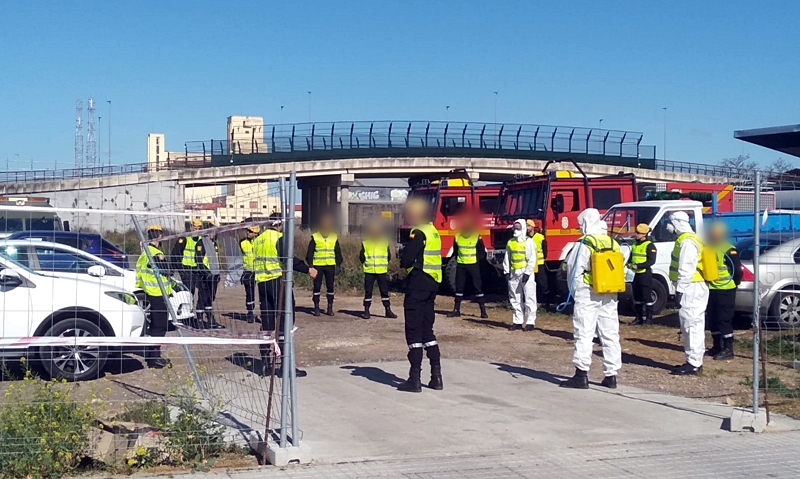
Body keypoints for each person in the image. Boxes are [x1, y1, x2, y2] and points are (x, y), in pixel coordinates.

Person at [560, 208, 621, 389]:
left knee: (584, 332)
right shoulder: (612, 242)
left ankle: (581, 374)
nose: (579, 227)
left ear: (586, 222)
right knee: (610, 333)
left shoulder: (585, 243)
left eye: (580, 224)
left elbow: (573, 269)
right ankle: (611, 375)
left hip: (588, 292)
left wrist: (575, 291)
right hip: (610, 292)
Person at [253, 217, 317, 377]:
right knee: (285, 323)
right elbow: (289, 260)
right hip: (277, 283)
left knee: (267, 324)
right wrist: (308, 269)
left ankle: (265, 365)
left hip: (262, 284)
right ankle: (285, 366)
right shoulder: (278, 238)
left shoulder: (258, 240)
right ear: (280, 225)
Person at [398, 198, 442, 393]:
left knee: (414, 332)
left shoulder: (419, 232)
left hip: (418, 285)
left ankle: (414, 378)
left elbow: (406, 260)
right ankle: (436, 377)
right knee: (427, 332)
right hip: (432, 285)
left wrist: (404, 255)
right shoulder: (433, 231)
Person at [668, 211, 709, 375]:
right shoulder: (692, 239)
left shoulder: (687, 242)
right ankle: (694, 360)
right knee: (693, 324)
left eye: (670, 222)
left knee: (691, 324)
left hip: (691, 286)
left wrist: (680, 291)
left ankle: (693, 363)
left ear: (677, 223)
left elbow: (686, 269)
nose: (669, 226)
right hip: (694, 286)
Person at [135, 224, 173, 369]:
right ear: (160, 236)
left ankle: (152, 356)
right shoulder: (155, 253)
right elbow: (167, 270)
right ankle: (154, 358)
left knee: (154, 326)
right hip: (157, 293)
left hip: (151, 292)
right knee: (159, 327)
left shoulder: (146, 250)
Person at [705, 221, 741, 361]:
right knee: (713, 318)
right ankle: (716, 346)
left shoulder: (729, 249)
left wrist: (735, 283)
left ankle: (728, 349)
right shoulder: (708, 248)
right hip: (712, 288)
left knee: (723, 319)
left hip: (726, 289)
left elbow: (737, 270)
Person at [447, 215, 488, 319]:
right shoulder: (457, 236)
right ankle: (456, 310)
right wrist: (458, 260)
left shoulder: (476, 235)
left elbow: (481, 251)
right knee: (459, 287)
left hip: (473, 265)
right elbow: (456, 251)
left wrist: (476, 261)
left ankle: (483, 311)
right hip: (461, 265)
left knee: (477, 287)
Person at [503, 219, 537, 332]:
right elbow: (507, 257)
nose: (516, 230)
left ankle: (530, 322)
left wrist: (527, 273)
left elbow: (532, 259)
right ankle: (517, 321)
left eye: (518, 228)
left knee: (529, 298)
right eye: (514, 228)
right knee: (515, 298)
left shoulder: (529, 242)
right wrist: (506, 271)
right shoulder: (510, 242)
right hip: (514, 272)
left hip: (525, 272)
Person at [359, 221, 397, 319]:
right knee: (368, 292)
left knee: (384, 291)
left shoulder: (385, 242)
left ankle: (388, 310)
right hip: (369, 271)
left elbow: (388, 256)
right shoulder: (365, 243)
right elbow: (361, 257)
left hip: (381, 271)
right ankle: (366, 311)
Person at [306, 214, 342, 316]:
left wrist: (338, 264)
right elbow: (310, 253)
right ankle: (316, 307)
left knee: (330, 287)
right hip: (318, 266)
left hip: (330, 266)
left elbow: (337, 252)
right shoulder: (315, 237)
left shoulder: (334, 237)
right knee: (317, 287)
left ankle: (329, 308)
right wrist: (311, 266)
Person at [629, 223, 658, 325]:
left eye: (638, 233)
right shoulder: (634, 244)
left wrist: (639, 266)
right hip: (635, 274)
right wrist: (628, 263)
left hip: (645, 275)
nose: (636, 234)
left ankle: (649, 319)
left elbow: (651, 261)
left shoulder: (649, 245)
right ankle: (638, 318)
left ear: (644, 234)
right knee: (637, 297)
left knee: (647, 298)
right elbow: (632, 257)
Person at [196, 227, 223, 329]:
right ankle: (199, 320)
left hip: (213, 276)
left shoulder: (213, 243)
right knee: (202, 298)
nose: (213, 234)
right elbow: (199, 260)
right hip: (205, 276)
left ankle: (210, 319)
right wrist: (206, 272)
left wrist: (217, 274)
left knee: (210, 298)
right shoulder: (201, 243)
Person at [172, 218, 203, 304]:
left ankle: (196, 310)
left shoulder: (202, 239)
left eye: (199, 228)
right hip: (186, 269)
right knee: (189, 290)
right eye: (195, 228)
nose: (197, 230)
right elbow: (175, 253)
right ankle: (188, 308)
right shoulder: (184, 238)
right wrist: (180, 268)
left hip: (198, 269)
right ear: (191, 227)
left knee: (202, 291)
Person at [528, 219, 550, 309]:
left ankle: (547, 303)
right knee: (532, 284)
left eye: (528, 226)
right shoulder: (525, 238)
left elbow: (545, 251)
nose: (526, 228)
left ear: (532, 227)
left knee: (543, 283)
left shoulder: (540, 237)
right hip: (529, 265)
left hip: (539, 264)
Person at [240, 224, 260, 323]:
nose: (248, 232)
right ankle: (250, 312)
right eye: (247, 230)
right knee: (249, 293)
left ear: (256, 233)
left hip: (260, 271)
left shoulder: (261, 242)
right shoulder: (242, 242)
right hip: (248, 272)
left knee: (263, 293)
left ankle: (265, 313)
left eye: (250, 231)